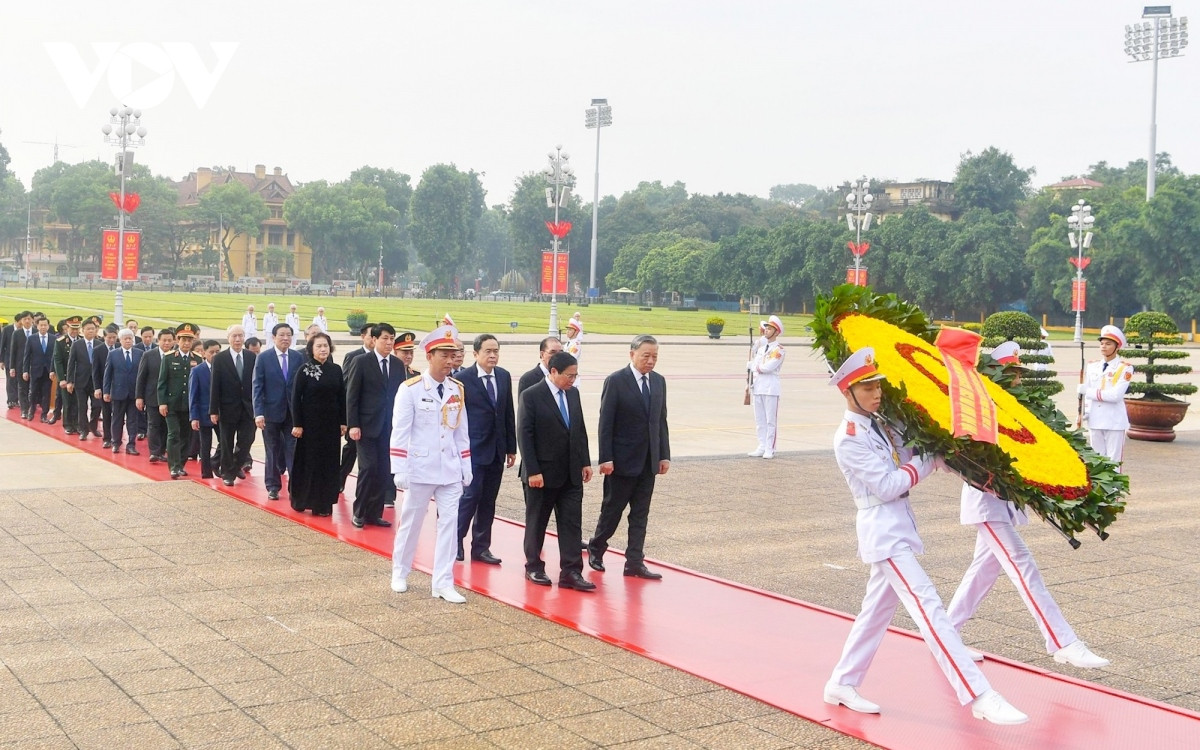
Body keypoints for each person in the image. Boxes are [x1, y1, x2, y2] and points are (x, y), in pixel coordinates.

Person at [822, 347, 1027, 725]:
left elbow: (912, 450)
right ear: (847, 392)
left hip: (897, 526)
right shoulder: (849, 437)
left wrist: (946, 450)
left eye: (877, 385)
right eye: (867, 388)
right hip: (883, 532)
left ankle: (841, 682)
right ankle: (979, 694)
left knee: (875, 613)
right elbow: (888, 485)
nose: (876, 393)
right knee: (929, 607)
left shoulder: (880, 424)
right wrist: (928, 461)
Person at [947, 342, 1109, 670]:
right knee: (1023, 564)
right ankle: (1062, 641)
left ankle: (946, 635)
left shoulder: (1014, 409)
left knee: (983, 570)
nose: (1018, 381)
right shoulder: (982, 411)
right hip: (986, 502)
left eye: (1019, 374)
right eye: (1011, 374)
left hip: (1002, 504)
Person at [389, 324, 471, 604]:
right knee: (411, 522)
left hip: (449, 469)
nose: (450, 361)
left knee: (450, 525)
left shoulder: (456, 388)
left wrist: (466, 465)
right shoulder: (410, 389)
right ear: (430, 355)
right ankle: (400, 571)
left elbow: (461, 430)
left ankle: (443, 582)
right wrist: (398, 467)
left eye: (453, 355)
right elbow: (400, 431)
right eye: (444, 355)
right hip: (420, 468)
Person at [587, 334, 671, 580]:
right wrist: (606, 458)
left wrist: (663, 455)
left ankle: (634, 561)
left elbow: (660, 421)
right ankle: (597, 547)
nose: (651, 361)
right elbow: (606, 423)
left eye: (655, 356)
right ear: (632, 354)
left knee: (640, 514)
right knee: (612, 510)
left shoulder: (659, 382)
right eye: (646, 355)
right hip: (622, 461)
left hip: (648, 461)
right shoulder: (616, 381)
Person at [518, 351, 594, 590]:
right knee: (537, 521)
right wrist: (532, 470)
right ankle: (533, 566)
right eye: (569, 376)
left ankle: (571, 572)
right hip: (542, 474)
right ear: (553, 372)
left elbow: (579, 430)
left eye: (575, 375)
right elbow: (525, 435)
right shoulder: (531, 395)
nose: (572, 380)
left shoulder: (573, 395)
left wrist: (585, 461)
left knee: (572, 524)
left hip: (571, 473)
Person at [455, 334, 517, 564]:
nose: (493, 355)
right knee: (470, 497)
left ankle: (481, 547)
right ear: (475, 354)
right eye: (488, 351)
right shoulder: (462, 379)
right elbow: (457, 418)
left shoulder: (503, 376)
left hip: (497, 450)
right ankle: (455, 542)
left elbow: (508, 412)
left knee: (488, 501)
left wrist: (511, 446)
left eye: (496, 351)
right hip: (473, 449)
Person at [346, 323, 404, 527]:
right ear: (374, 340)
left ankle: (374, 513)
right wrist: (353, 424)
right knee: (368, 468)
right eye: (385, 338)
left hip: (389, 428)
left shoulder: (397, 365)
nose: (389, 343)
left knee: (383, 470)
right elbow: (352, 396)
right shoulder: (361, 361)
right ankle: (359, 511)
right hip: (366, 426)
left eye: (391, 339)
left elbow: (401, 398)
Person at [289, 331, 346, 516]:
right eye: (319, 346)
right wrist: (297, 424)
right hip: (310, 425)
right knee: (309, 462)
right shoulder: (304, 370)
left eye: (326, 346)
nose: (323, 349)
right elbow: (295, 398)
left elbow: (341, 397)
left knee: (328, 463)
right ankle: (303, 500)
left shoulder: (336, 369)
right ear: (311, 349)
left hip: (330, 426)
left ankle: (324, 503)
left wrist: (343, 422)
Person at [253, 323, 303, 500]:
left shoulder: (298, 357)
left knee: (293, 451)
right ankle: (273, 486)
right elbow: (257, 386)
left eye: (289, 335)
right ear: (273, 337)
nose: (285, 338)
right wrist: (258, 413)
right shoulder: (264, 358)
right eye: (281, 335)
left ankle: (295, 486)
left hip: (292, 414)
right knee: (272, 450)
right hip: (270, 413)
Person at [209, 325, 257, 486]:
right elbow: (215, 385)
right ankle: (228, 474)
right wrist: (213, 410)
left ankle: (235, 465)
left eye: (240, 336)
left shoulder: (252, 357)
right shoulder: (220, 358)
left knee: (247, 440)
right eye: (234, 336)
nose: (238, 339)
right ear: (228, 338)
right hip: (227, 407)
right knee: (226, 442)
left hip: (248, 408)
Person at [1079, 325, 1133, 465]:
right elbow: (1086, 396)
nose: (1103, 346)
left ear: (1117, 347)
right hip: (1095, 419)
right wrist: (1083, 412)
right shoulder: (1092, 366)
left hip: (1114, 421)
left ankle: (1114, 488)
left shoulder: (1125, 368)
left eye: (1108, 344)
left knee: (1113, 462)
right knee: (1096, 461)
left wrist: (1088, 392)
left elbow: (1115, 396)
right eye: (1102, 343)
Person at [158, 323, 202, 479]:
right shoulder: (169, 358)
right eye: (183, 340)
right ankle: (174, 466)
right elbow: (162, 382)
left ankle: (181, 464)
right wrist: (162, 402)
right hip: (172, 403)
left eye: (189, 340)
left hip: (189, 405)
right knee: (173, 434)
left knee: (186, 436)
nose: (186, 343)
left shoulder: (197, 358)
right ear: (177, 340)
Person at [338, 322, 374, 492]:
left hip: (374, 416)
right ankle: (340, 479)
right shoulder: (353, 356)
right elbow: (346, 385)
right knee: (351, 449)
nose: (373, 340)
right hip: (356, 414)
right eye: (370, 336)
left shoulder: (383, 358)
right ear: (363, 337)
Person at [748, 315, 785, 459]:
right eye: (766, 328)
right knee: (760, 420)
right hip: (758, 386)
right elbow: (755, 362)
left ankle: (770, 448)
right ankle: (761, 445)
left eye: (770, 329)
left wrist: (754, 366)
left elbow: (768, 367)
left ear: (776, 332)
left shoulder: (779, 350)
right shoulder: (762, 348)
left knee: (770, 421)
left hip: (770, 387)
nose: (766, 330)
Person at [137, 328, 175, 463]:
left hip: (170, 398)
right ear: (158, 341)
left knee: (166, 426)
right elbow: (141, 377)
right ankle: (154, 452)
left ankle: (162, 450)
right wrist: (139, 397)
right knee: (153, 424)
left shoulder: (175, 356)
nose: (166, 343)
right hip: (152, 396)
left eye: (169, 340)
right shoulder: (149, 355)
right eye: (164, 340)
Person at [103, 328, 142, 455]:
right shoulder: (113, 354)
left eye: (130, 338)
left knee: (132, 420)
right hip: (118, 392)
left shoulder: (139, 354)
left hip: (133, 393)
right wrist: (106, 391)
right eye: (125, 339)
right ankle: (116, 443)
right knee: (117, 419)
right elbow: (107, 374)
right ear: (120, 340)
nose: (128, 341)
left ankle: (131, 444)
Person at [65, 316, 101, 440]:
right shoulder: (77, 344)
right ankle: (83, 430)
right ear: (83, 330)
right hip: (81, 380)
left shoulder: (99, 344)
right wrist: (70, 381)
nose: (91, 331)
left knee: (97, 406)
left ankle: (93, 426)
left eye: (93, 329)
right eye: (88, 329)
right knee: (82, 407)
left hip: (96, 382)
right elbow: (71, 363)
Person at [189, 339, 221, 478]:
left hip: (221, 414)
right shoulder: (197, 371)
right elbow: (193, 395)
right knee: (205, 445)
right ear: (204, 353)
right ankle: (206, 473)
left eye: (217, 352)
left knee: (225, 443)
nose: (214, 355)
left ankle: (217, 463)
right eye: (211, 352)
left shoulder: (223, 368)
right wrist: (194, 417)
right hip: (203, 413)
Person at [22, 316, 54, 422]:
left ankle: (44, 414)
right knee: (33, 392)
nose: (43, 327)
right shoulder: (31, 338)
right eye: (41, 325)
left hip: (48, 371)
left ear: (48, 326)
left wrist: (53, 370)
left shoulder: (53, 339)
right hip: (35, 370)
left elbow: (55, 356)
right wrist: (25, 370)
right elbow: (27, 356)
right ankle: (31, 411)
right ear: (37, 326)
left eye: (45, 325)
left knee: (46, 393)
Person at [53, 316, 80, 427]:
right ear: (67, 328)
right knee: (68, 403)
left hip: (79, 377)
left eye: (77, 329)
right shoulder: (60, 342)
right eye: (72, 329)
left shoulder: (81, 340)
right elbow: (58, 361)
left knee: (79, 403)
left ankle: (78, 424)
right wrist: (62, 379)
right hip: (66, 377)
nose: (74, 331)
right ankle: (68, 425)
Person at [95, 325, 120, 447]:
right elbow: (95, 371)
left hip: (118, 387)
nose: (112, 340)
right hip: (105, 387)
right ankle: (107, 438)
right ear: (104, 337)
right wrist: (98, 388)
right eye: (109, 337)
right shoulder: (98, 350)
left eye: (114, 337)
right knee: (106, 413)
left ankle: (116, 438)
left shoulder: (120, 348)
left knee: (118, 414)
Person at [6, 311, 34, 412]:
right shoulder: (17, 333)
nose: (27, 321)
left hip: (34, 365)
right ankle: (24, 409)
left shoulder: (36, 332)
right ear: (21, 321)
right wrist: (12, 367)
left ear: (32, 320)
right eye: (25, 319)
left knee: (34, 389)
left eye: (29, 319)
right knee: (22, 388)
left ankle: (31, 407)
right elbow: (13, 351)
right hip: (20, 365)